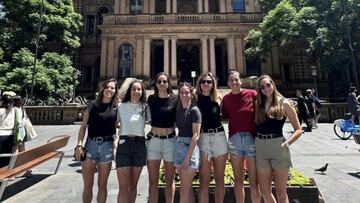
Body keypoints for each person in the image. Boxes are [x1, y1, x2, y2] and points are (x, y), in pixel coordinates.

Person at [255, 74, 302, 203]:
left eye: (268, 85)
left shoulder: (285, 103)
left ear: (273, 84)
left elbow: (298, 129)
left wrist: (287, 143)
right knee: (264, 191)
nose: (266, 88)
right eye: (262, 87)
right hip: (260, 146)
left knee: (281, 192)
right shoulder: (258, 103)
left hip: (278, 146)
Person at [74, 78, 119, 203]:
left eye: (112, 88)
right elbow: (83, 127)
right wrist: (79, 145)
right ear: (102, 89)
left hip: (107, 147)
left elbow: (115, 130)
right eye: (107, 87)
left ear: (115, 91)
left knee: (102, 186)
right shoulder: (92, 105)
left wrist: (115, 146)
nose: (109, 90)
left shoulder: (116, 108)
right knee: (88, 186)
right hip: (90, 146)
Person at [221, 71, 261, 203]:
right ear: (227, 83)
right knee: (238, 181)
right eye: (231, 80)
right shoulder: (226, 99)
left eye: (236, 80)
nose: (234, 83)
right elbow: (225, 116)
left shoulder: (252, 94)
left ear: (241, 81)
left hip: (251, 138)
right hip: (235, 139)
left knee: (254, 182)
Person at [115, 80, 151, 203]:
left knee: (133, 185)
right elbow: (111, 125)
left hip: (140, 145)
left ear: (142, 91)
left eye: (139, 89)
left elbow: (154, 122)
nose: (136, 92)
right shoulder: (121, 106)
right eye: (134, 89)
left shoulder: (145, 107)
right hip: (124, 144)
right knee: (123, 187)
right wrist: (114, 142)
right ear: (129, 91)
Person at [195, 72, 228, 203]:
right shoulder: (194, 98)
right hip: (203, 138)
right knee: (204, 179)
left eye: (209, 81)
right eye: (203, 82)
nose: (206, 84)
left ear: (213, 83)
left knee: (220, 178)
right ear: (199, 84)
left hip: (219, 137)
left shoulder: (219, 98)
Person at [147, 72, 177, 203]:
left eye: (165, 81)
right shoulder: (150, 99)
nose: (162, 84)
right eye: (159, 81)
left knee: (169, 179)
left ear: (168, 83)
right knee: (153, 180)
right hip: (154, 141)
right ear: (155, 83)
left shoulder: (175, 99)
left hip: (170, 141)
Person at [174, 82, 201, 203]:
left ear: (191, 94)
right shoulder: (179, 109)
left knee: (183, 191)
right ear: (179, 94)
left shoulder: (194, 110)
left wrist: (187, 158)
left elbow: (196, 136)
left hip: (189, 150)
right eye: (182, 92)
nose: (184, 95)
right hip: (180, 147)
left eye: (187, 92)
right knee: (187, 189)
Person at [12, 95, 32, 177]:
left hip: (17, 131)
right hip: (22, 131)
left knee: (15, 151)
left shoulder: (13, 110)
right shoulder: (22, 109)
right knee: (23, 151)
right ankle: (27, 169)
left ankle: (12, 172)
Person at [0, 94, 20, 167]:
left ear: (2, 101)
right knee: (7, 156)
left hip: (1, 134)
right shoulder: (14, 111)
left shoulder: (1, 111)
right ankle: (5, 172)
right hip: (10, 135)